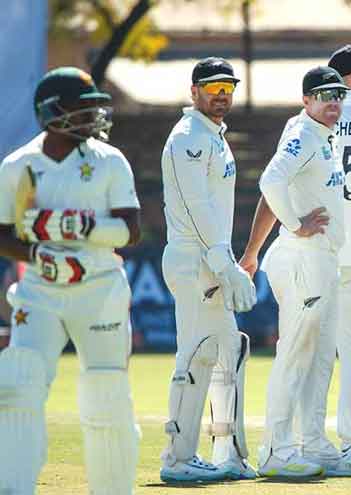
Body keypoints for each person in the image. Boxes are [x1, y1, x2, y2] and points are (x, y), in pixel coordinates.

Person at [0, 67, 141, 494]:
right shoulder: (18, 165)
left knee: (106, 389)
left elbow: (130, 231)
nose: (93, 116)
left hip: (99, 288)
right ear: (52, 112)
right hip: (39, 291)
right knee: (19, 384)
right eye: (83, 108)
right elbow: (2, 234)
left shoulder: (109, 160)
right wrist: (38, 256)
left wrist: (80, 226)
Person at [158, 57, 257, 482]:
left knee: (227, 351)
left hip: (211, 261)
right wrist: (225, 266)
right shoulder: (188, 138)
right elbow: (196, 207)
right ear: (194, 91)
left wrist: (223, 264)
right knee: (196, 355)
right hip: (193, 260)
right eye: (213, 87)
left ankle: (227, 452)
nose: (221, 95)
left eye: (228, 88)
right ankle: (177, 458)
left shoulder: (213, 135)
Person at [252, 66, 349, 479]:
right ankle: (276, 449)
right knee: (294, 353)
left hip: (323, 258)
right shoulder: (304, 135)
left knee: (320, 355)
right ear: (306, 100)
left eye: (339, 95)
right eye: (324, 95)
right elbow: (270, 179)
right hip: (303, 257)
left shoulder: (320, 134)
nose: (334, 102)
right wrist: (294, 224)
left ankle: (311, 441)